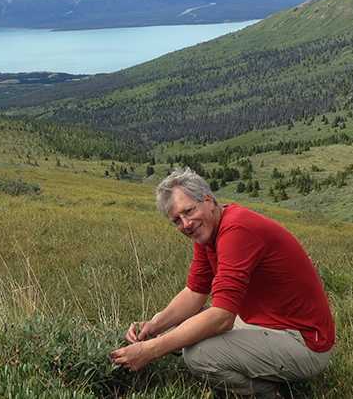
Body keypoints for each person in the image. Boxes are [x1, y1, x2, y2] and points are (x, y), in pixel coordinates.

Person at [109, 167, 334, 399]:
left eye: (188, 211)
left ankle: (272, 393)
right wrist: (153, 327)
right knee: (172, 326)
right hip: (265, 323)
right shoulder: (207, 230)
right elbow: (195, 292)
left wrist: (150, 350)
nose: (185, 224)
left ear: (207, 200)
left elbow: (223, 317)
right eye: (177, 219)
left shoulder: (237, 229)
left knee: (199, 354)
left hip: (304, 342)